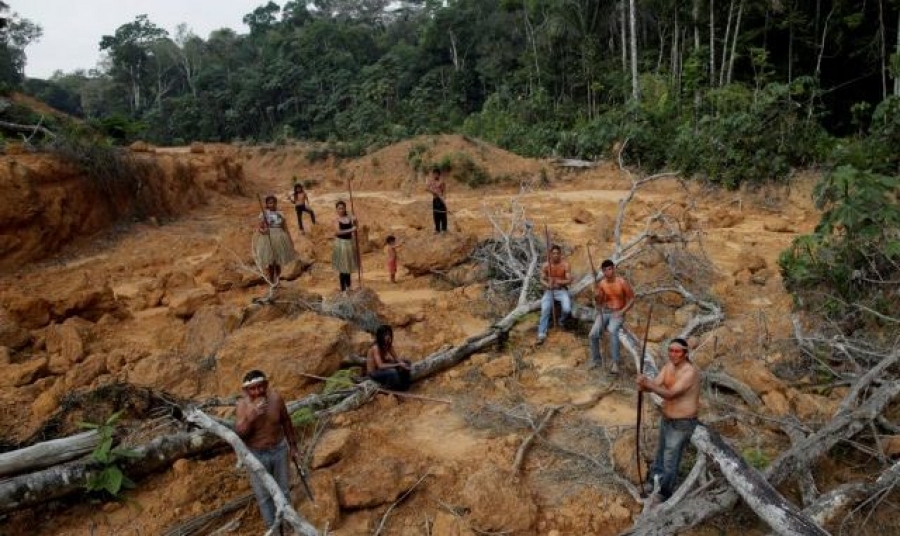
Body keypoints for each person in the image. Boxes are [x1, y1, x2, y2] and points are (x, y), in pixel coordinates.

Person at [636, 338, 701, 504]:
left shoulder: (689, 372)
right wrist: (643, 383)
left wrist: (649, 386)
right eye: (671, 350)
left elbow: (671, 394)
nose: (673, 354)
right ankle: (653, 481)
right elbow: (656, 383)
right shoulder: (668, 367)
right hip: (666, 419)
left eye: (677, 351)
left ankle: (664, 493)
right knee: (661, 454)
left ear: (685, 353)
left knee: (670, 459)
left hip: (682, 423)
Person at [235, 370, 302, 530]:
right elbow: (240, 434)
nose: (257, 391)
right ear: (246, 391)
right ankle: (273, 528)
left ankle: (288, 525)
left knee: (284, 490)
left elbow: (286, 421)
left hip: (279, 450)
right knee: (264, 496)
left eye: (260, 387)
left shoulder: (276, 399)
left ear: (266, 385)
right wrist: (251, 419)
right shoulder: (242, 406)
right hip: (256, 455)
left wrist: (293, 447)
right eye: (253, 388)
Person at [589, 259, 635, 373]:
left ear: (614, 269)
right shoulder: (602, 284)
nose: (608, 272)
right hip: (605, 311)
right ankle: (596, 360)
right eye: (605, 270)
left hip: (618, 312)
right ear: (603, 272)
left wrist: (622, 311)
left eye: (610, 269)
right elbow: (600, 301)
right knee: (593, 334)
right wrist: (596, 296)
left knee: (612, 330)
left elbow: (632, 298)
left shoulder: (622, 282)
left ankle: (615, 363)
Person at [252, 195, 297, 285]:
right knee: (270, 262)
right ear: (267, 204)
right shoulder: (264, 214)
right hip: (268, 238)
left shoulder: (280, 214)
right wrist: (264, 231)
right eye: (269, 203)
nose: (271, 204)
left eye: (273, 202)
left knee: (278, 261)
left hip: (280, 236)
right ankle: (271, 280)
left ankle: (277, 280)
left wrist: (290, 240)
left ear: (276, 203)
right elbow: (260, 228)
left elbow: (285, 228)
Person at [537, 245, 572, 345]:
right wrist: (548, 285)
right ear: (550, 254)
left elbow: (569, 280)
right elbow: (541, 279)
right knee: (545, 309)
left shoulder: (565, 265)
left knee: (567, 309)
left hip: (562, 291)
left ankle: (561, 321)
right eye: (554, 253)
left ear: (560, 254)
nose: (556, 255)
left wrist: (558, 281)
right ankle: (541, 333)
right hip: (549, 291)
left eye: (557, 253)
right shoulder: (546, 265)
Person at [366, 324, 412, 391]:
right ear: (381, 336)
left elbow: (396, 358)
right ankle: (387, 388)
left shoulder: (388, 345)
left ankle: (403, 385)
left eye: (389, 334)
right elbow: (380, 365)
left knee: (406, 362)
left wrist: (402, 364)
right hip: (374, 372)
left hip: (383, 369)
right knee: (392, 372)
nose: (388, 337)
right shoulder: (375, 348)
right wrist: (398, 364)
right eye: (386, 335)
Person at [332, 200, 358, 292]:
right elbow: (337, 232)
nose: (341, 210)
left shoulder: (349, 217)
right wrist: (351, 229)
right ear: (336, 209)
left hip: (349, 243)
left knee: (348, 266)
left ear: (345, 208)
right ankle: (343, 289)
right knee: (343, 267)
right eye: (339, 208)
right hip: (341, 244)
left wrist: (355, 220)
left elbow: (356, 226)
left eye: (342, 208)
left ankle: (349, 287)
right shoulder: (336, 219)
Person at [426, 168, 448, 233]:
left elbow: (444, 190)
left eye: (436, 174)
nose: (434, 176)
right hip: (435, 199)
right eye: (433, 174)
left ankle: (444, 229)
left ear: (438, 174)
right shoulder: (431, 181)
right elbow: (427, 188)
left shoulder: (442, 181)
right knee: (436, 214)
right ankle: (437, 229)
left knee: (443, 214)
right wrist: (432, 192)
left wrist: (444, 198)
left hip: (441, 199)